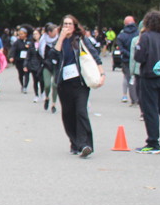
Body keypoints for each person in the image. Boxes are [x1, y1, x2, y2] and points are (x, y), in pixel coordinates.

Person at [48, 14, 105, 158]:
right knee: (68, 114)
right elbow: (52, 57)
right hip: (64, 84)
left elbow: (95, 56)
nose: (67, 26)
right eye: (65, 24)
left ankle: (85, 144)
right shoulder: (58, 41)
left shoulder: (81, 40)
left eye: (70, 24)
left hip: (80, 83)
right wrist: (61, 38)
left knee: (81, 112)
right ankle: (74, 143)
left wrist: (102, 74)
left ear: (74, 26)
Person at [134, 9, 160, 154]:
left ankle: (153, 142)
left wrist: (138, 44)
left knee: (150, 110)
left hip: (149, 76)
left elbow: (139, 57)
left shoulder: (146, 37)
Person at [116, 16, 139, 105]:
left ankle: (132, 98)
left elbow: (121, 49)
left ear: (125, 24)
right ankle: (138, 97)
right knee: (138, 78)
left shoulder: (121, 35)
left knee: (129, 78)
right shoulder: (138, 33)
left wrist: (129, 55)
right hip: (138, 59)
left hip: (126, 60)